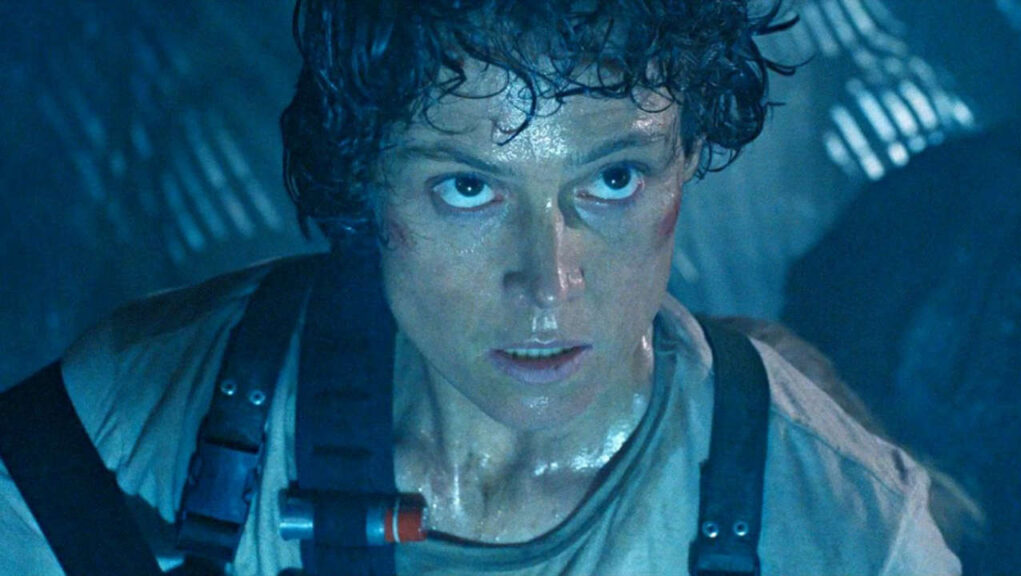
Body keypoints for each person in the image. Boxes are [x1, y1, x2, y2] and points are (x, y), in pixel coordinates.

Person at [0, 0, 960, 574]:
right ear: (365, 181)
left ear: (686, 162)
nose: (548, 284)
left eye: (613, 180)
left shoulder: (851, 533)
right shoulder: (125, 428)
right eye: (468, 188)